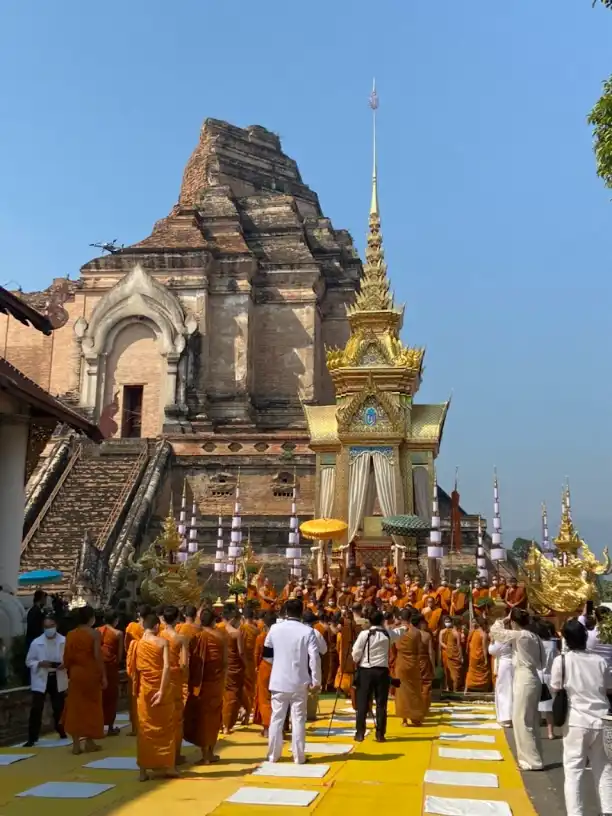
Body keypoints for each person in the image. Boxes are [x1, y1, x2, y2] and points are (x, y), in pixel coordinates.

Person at [551, 618, 612, 816]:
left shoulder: (562, 661)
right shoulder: (600, 661)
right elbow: (608, 688)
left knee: (573, 772)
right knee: (604, 770)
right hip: (601, 719)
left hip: (577, 721)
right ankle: (608, 811)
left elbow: (556, 687)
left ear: (566, 640)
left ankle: (576, 813)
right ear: (586, 637)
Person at [264, 598, 320, 765]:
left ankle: (273, 756)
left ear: (286, 612)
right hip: (299, 680)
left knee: (277, 718)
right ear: (301, 612)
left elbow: (266, 655)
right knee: (298, 719)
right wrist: (316, 680)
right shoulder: (307, 631)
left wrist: (280, 665)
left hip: (279, 680)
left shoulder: (274, 629)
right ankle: (299, 756)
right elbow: (314, 658)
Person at [490, 609, 543, 771]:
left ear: (514, 622)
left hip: (523, 677)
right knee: (531, 720)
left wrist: (502, 619)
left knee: (521, 720)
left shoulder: (520, 635)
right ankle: (535, 757)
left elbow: (495, 632)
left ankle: (530, 761)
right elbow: (544, 661)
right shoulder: (535, 637)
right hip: (534, 676)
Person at [127, 613, 177, 781]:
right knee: (165, 727)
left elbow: (131, 670)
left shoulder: (136, 644)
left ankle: (143, 770)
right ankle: (168, 766)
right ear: (157, 626)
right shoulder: (162, 642)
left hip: (144, 690)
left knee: (145, 729)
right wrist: (162, 691)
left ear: (143, 626)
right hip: (159, 688)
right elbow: (166, 668)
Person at [184, 609, 227, 765]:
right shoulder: (220, 638)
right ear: (214, 622)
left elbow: (191, 661)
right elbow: (224, 662)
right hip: (216, 683)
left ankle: (205, 755)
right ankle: (210, 752)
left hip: (199, 684)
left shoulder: (196, 638)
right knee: (213, 717)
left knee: (202, 718)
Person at [61, 604, 106, 755]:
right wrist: (103, 675)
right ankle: (89, 741)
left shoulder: (70, 634)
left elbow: (67, 657)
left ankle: (76, 745)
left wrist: (68, 670)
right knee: (91, 707)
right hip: (90, 673)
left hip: (76, 673)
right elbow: (97, 657)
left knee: (75, 707)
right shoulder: (94, 634)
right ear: (91, 619)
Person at [24, 613, 67, 746]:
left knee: (59, 707)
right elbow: (29, 661)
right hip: (42, 677)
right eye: (46, 626)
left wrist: (64, 664)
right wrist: (39, 664)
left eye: (51, 626)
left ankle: (61, 730)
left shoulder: (64, 641)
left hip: (57, 676)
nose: (49, 629)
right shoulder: (37, 643)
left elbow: (70, 658)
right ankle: (32, 737)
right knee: (37, 708)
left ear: (56, 626)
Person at [160, 605, 188, 765]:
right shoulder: (180, 638)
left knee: (164, 717)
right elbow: (184, 664)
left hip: (161, 678)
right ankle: (176, 754)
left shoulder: (158, 635)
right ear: (177, 619)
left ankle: (163, 753)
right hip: (176, 678)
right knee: (177, 718)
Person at [394, 609, 425, 728]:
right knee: (415, 690)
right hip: (413, 662)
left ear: (401, 618)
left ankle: (404, 720)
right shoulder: (416, 632)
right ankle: (416, 718)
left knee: (401, 691)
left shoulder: (396, 631)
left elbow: (394, 647)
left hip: (401, 662)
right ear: (410, 618)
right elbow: (419, 649)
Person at [97, 609, 123, 736]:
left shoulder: (97, 631)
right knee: (111, 697)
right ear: (115, 620)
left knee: (100, 696)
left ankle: (98, 725)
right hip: (111, 667)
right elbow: (119, 655)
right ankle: (110, 726)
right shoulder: (118, 633)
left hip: (98, 666)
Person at [219, 605, 245, 734]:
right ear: (232, 619)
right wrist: (245, 664)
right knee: (232, 696)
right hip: (233, 667)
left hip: (218, 667)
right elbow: (241, 653)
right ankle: (226, 726)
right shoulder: (235, 633)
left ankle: (219, 724)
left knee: (219, 695)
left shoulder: (215, 630)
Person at [125, 604, 150, 735]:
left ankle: (136, 727)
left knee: (134, 696)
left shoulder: (131, 627)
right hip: (149, 664)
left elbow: (126, 645)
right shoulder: (153, 627)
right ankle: (146, 725)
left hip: (135, 663)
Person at [253, 612, 276, 737]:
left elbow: (257, 655)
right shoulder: (279, 636)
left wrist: (256, 667)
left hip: (265, 668)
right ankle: (280, 728)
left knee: (265, 698)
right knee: (277, 698)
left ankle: (267, 728)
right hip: (279, 668)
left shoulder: (262, 636)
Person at [535, 619, 559, 740]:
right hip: (550, 675)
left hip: (538, 674)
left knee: (536, 706)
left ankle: (537, 731)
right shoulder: (553, 644)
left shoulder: (536, 644)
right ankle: (550, 732)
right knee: (549, 708)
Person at [488, 620, 514, 727]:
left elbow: (491, 651)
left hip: (504, 665)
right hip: (513, 664)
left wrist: (491, 641)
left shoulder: (501, 639)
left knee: (504, 691)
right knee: (511, 690)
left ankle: (506, 718)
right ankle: (511, 716)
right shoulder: (512, 636)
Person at [239, 606, 259, 725]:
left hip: (242, 660)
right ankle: (247, 711)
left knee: (242, 686)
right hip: (252, 662)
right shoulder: (257, 630)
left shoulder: (241, 629)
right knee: (251, 687)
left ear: (243, 617)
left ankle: (243, 709)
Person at [465, 619, 492, 692]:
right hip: (480, 657)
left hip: (473, 656)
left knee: (471, 672)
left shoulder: (473, 632)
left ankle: (467, 689)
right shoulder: (483, 634)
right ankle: (485, 689)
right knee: (485, 673)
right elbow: (484, 648)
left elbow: (469, 643)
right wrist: (486, 659)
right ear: (484, 625)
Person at [439, 616, 463, 692]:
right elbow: (440, 642)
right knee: (446, 671)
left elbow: (459, 645)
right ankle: (447, 687)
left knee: (455, 673)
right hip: (445, 653)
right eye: (446, 621)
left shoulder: (454, 632)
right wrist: (448, 648)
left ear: (452, 622)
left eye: (448, 621)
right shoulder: (442, 631)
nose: (447, 622)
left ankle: (455, 688)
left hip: (453, 654)